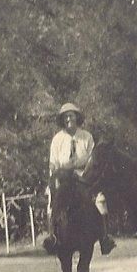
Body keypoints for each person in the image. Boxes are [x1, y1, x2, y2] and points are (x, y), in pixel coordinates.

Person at [44, 102, 116, 255]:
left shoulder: (86, 137)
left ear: (77, 117)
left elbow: (94, 159)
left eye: (71, 115)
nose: (68, 119)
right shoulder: (57, 139)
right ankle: (52, 237)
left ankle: (105, 237)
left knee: (100, 200)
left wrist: (80, 164)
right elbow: (53, 163)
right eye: (65, 117)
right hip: (63, 179)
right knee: (52, 201)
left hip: (84, 177)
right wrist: (58, 172)